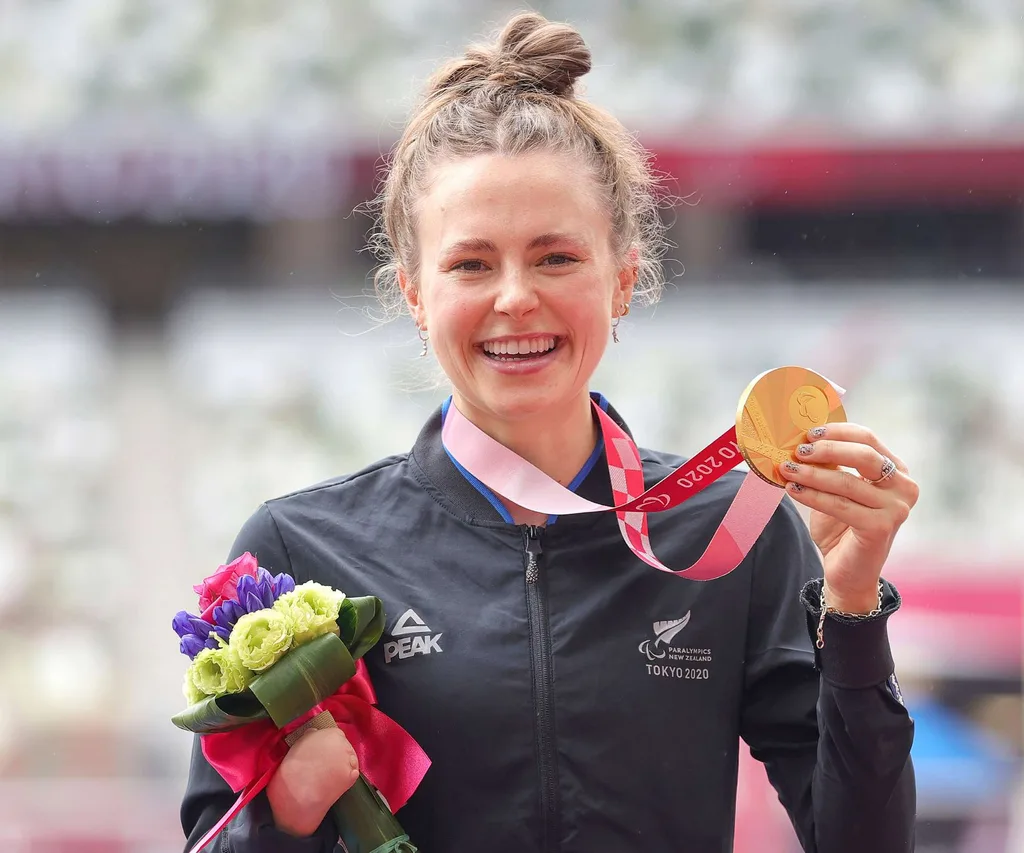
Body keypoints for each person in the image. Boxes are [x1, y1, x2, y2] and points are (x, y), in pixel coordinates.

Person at [181, 12, 919, 853]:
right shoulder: (301, 550)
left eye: (556, 257)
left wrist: (854, 609)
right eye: (470, 263)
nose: (515, 297)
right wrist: (289, 815)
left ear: (624, 278)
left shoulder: (731, 533)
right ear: (414, 293)